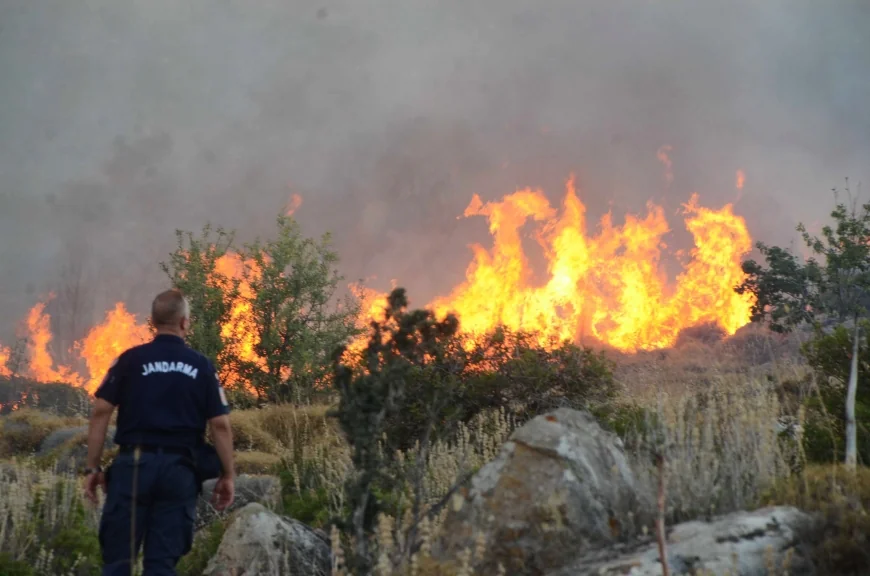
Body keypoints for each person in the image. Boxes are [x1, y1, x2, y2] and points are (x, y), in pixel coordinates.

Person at [83, 289, 236, 575]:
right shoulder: (201, 366)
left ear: (153, 322)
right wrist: (227, 474)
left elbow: (101, 411)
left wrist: (93, 468)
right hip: (179, 472)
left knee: (118, 563)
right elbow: (220, 425)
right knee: (162, 565)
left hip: (133, 469)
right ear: (184, 322)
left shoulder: (130, 360)